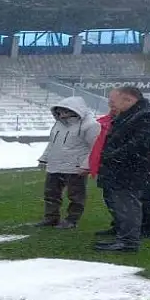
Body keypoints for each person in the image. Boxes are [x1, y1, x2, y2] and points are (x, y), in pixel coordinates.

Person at [88, 86, 150, 253]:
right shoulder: (133, 114)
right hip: (123, 170)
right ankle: (123, 237)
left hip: (131, 171)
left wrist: (113, 156)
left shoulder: (147, 116)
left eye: (114, 101)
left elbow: (139, 144)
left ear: (128, 99)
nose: (111, 105)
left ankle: (128, 242)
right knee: (122, 205)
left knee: (129, 206)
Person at [34, 96, 100, 229]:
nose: (62, 114)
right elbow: (52, 143)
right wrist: (44, 158)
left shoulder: (91, 125)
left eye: (65, 111)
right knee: (51, 193)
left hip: (75, 167)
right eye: (59, 111)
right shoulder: (58, 124)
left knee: (75, 196)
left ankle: (72, 220)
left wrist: (86, 165)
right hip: (55, 165)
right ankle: (51, 218)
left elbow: (95, 148)